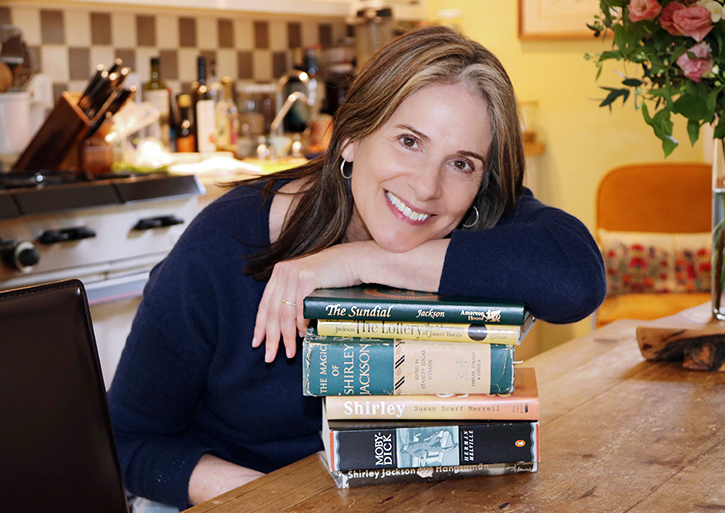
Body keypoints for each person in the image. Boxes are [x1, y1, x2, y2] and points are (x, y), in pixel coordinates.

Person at [107, 25, 606, 511]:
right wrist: (274, 501)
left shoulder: (473, 215)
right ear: (350, 138)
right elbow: (127, 440)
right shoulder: (225, 242)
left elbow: (577, 281)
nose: (427, 187)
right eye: (409, 141)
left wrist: (359, 259)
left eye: (462, 163)